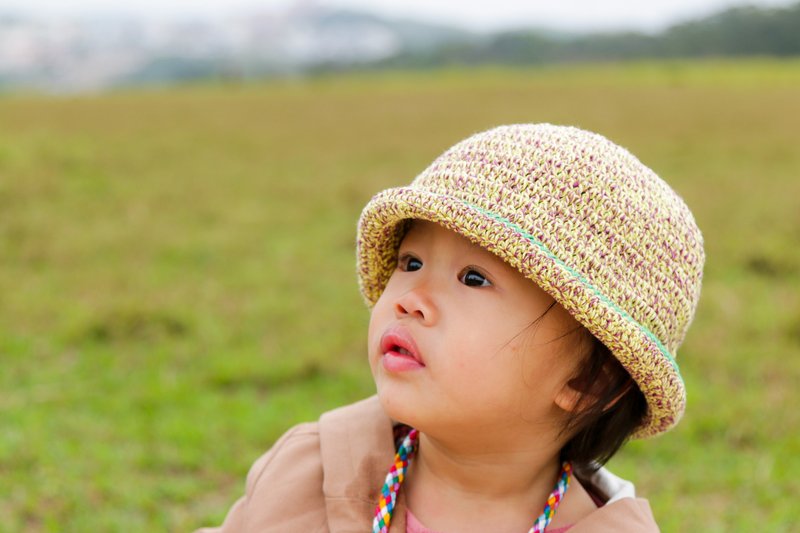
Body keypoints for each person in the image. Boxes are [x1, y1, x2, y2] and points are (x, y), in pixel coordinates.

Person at [196, 124, 704, 532]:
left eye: (474, 278)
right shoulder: (307, 474)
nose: (411, 301)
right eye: (411, 262)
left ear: (588, 382)